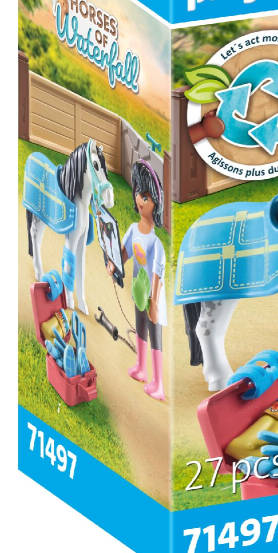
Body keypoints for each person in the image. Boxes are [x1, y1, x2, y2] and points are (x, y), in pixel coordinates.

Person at [109, 160, 166, 401]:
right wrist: (114, 265)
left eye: (145, 197)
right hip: (138, 291)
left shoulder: (156, 243)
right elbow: (124, 254)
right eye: (138, 194)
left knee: (155, 336)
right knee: (140, 328)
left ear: (156, 204)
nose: (140, 200)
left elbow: (157, 274)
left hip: (152, 297)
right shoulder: (133, 229)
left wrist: (154, 302)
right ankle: (141, 368)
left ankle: (159, 384)